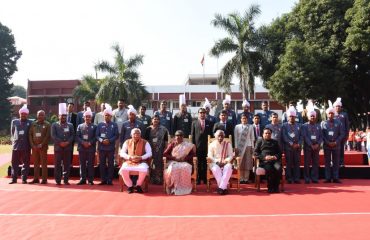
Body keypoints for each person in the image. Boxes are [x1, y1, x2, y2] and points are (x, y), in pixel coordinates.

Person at [119, 128, 152, 193]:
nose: (136, 135)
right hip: (129, 161)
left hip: (141, 162)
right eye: (134, 134)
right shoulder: (127, 142)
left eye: (138, 134)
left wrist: (141, 157)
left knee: (144, 169)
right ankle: (130, 186)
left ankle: (138, 185)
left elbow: (149, 153)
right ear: (131, 135)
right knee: (123, 169)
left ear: (140, 135)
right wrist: (129, 157)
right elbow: (122, 152)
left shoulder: (145, 142)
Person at [163, 130, 195, 195]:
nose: (179, 137)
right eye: (177, 135)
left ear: (183, 137)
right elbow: (165, 154)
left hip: (184, 162)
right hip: (174, 161)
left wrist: (184, 158)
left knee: (185, 168)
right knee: (173, 168)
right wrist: (175, 158)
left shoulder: (187, 145)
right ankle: (173, 187)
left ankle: (184, 188)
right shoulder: (172, 144)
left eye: (180, 135)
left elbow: (193, 155)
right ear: (175, 137)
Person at [51, 103, 75, 185]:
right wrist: (60, 142)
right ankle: (58, 180)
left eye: (65, 115)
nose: (63, 117)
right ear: (59, 116)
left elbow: (72, 135)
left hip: (67, 148)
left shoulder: (70, 125)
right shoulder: (54, 125)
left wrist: (67, 142)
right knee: (57, 165)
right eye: (62, 115)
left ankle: (66, 179)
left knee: (66, 165)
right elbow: (53, 136)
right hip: (58, 148)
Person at [253, 128, 282, 193]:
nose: (267, 134)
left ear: (271, 134)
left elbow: (280, 153)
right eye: (266, 133)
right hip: (265, 162)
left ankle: (276, 187)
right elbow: (255, 153)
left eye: (269, 133)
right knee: (270, 169)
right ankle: (270, 187)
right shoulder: (259, 142)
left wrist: (274, 157)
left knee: (279, 168)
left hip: (274, 161)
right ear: (263, 134)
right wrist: (265, 157)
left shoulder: (275, 142)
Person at [96, 104, 119, 185]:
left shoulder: (114, 125)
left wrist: (109, 141)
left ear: (111, 116)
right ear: (103, 116)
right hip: (102, 148)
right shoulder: (99, 125)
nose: (107, 117)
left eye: (109, 115)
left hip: (110, 148)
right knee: (102, 164)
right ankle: (103, 179)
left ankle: (109, 179)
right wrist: (102, 140)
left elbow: (116, 135)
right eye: (106, 115)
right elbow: (97, 135)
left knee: (110, 164)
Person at [321, 104, 344, 183]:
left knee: (336, 162)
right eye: (329, 113)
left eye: (332, 113)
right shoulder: (323, 123)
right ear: (327, 114)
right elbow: (322, 135)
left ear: (334, 114)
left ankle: (335, 177)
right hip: (327, 145)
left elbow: (342, 134)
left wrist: (336, 142)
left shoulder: (339, 123)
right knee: (327, 162)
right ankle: (327, 178)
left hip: (336, 145)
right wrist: (327, 142)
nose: (330, 114)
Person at [9, 105, 32, 184]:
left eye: (25, 114)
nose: (23, 115)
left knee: (26, 163)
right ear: (19, 114)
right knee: (14, 163)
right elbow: (12, 133)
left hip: (26, 145)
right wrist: (14, 141)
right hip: (16, 145)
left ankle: (24, 179)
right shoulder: (14, 121)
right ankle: (13, 178)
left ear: (27, 115)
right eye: (22, 113)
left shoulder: (30, 122)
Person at [207, 130, 234, 195]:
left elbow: (231, 155)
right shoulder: (211, 144)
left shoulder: (228, 144)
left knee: (228, 168)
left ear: (224, 136)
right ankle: (224, 188)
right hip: (214, 162)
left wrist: (225, 161)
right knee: (216, 169)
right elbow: (210, 155)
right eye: (219, 136)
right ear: (215, 136)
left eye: (222, 136)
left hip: (225, 162)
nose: (220, 138)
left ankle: (221, 188)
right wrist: (217, 162)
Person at [144, 115, 169, 184]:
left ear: (159, 121)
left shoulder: (163, 129)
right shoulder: (148, 129)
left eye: (157, 119)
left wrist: (165, 150)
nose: (156, 120)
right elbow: (145, 141)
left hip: (160, 149)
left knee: (159, 163)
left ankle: (159, 179)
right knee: (151, 163)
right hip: (150, 149)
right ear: (152, 120)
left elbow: (166, 141)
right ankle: (151, 179)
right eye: (154, 119)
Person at [28, 110, 50, 184]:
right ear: (37, 116)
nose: (40, 116)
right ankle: (36, 178)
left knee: (44, 163)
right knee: (35, 163)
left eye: (42, 115)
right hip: (34, 148)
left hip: (43, 147)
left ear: (44, 116)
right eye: (39, 115)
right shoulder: (33, 124)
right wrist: (32, 145)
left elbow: (47, 136)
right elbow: (30, 135)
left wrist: (42, 144)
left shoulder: (47, 124)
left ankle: (44, 179)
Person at [76, 107, 96, 185]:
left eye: (89, 117)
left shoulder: (94, 126)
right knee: (82, 164)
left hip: (91, 148)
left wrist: (90, 143)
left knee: (91, 164)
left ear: (91, 117)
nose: (87, 118)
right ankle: (82, 179)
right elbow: (77, 136)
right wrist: (83, 142)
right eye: (86, 117)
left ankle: (90, 180)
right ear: (83, 117)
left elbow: (96, 137)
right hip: (82, 148)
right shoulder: (79, 126)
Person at [282, 106, 302, 184]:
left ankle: (297, 178)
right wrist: (291, 144)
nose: (292, 118)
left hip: (297, 147)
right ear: (288, 117)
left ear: (295, 117)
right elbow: (284, 136)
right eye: (290, 116)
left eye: (293, 116)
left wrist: (298, 144)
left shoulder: (299, 125)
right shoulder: (284, 125)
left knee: (297, 163)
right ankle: (289, 178)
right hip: (288, 147)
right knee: (289, 163)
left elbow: (301, 136)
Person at [302, 106, 322, 184]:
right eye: (311, 116)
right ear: (308, 117)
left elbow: (321, 136)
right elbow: (305, 136)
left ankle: (314, 178)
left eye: (314, 116)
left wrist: (317, 144)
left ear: (315, 117)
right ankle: (307, 178)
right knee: (306, 163)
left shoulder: (318, 126)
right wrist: (311, 144)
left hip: (316, 147)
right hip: (308, 147)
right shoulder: (304, 126)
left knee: (315, 163)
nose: (312, 117)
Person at [191, 108, 212, 184]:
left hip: (207, 147)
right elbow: (192, 135)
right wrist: (193, 146)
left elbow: (211, 135)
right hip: (197, 146)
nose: (202, 114)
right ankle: (198, 179)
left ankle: (206, 178)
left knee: (206, 163)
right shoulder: (194, 123)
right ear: (198, 114)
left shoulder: (209, 122)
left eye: (203, 113)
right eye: (201, 113)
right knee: (198, 163)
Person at [234, 113, 255, 184]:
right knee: (240, 162)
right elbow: (235, 138)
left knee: (247, 163)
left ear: (247, 119)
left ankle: (246, 179)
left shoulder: (250, 126)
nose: (244, 120)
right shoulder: (237, 127)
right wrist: (236, 147)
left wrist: (253, 147)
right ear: (240, 119)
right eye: (243, 118)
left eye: (245, 118)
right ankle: (240, 178)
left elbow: (252, 138)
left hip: (248, 146)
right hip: (239, 147)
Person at [333, 97, 350, 167]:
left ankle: (341, 162)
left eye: (339, 106)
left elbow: (347, 125)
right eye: (336, 106)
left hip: (342, 135)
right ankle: (333, 162)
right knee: (333, 149)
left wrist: (347, 135)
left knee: (341, 149)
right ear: (334, 107)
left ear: (341, 107)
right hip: (334, 135)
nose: (337, 107)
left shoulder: (344, 114)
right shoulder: (332, 114)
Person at [112, 99, 128, 164]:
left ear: (124, 104)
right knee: (116, 147)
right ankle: (115, 161)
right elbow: (112, 122)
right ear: (117, 104)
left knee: (124, 147)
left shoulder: (127, 111)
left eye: (122, 103)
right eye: (119, 103)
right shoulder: (114, 111)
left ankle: (124, 161)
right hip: (116, 133)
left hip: (124, 133)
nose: (120, 104)